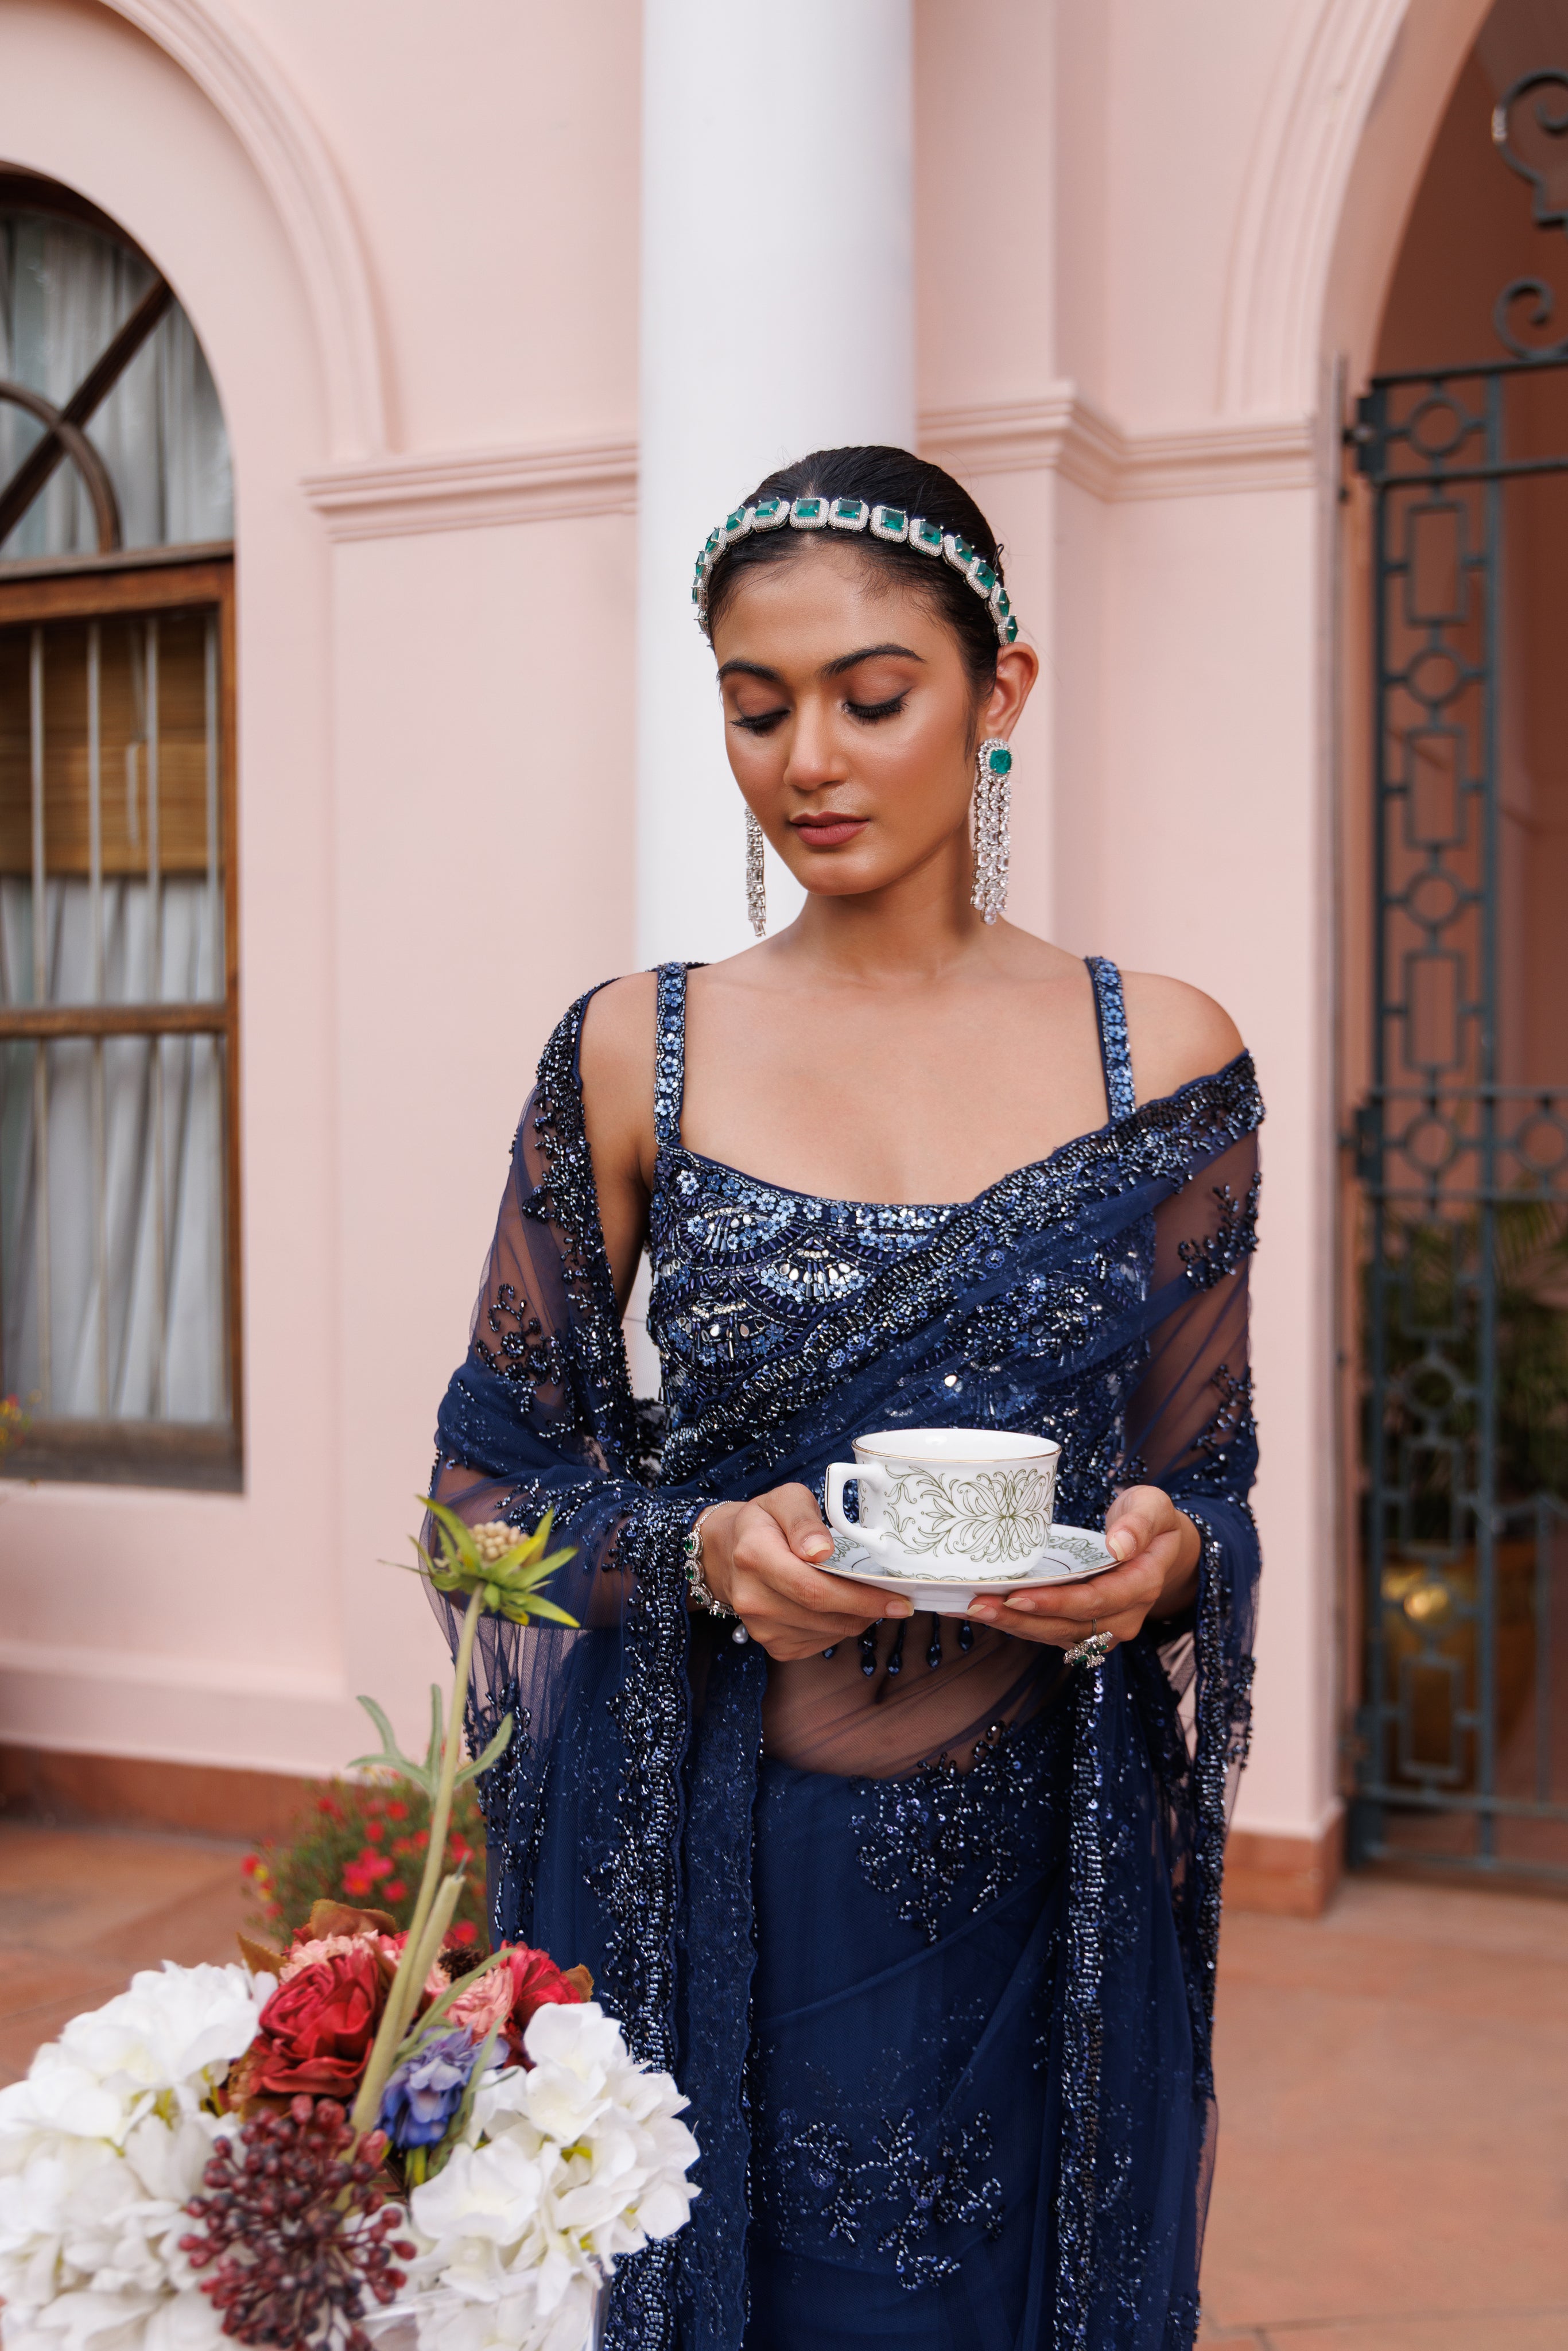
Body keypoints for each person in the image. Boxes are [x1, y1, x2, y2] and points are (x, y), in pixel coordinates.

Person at [428, 447, 1262, 2351]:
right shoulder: (640, 1049)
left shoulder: (1171, 1061)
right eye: (754, 706)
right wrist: (701, 1550)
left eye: (871, 697)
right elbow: (479, 1493)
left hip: (1039, 1910)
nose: (809, 755)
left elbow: (1205, 1489)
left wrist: (1154, 1562)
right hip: (704, 1888)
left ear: (1000, 696)